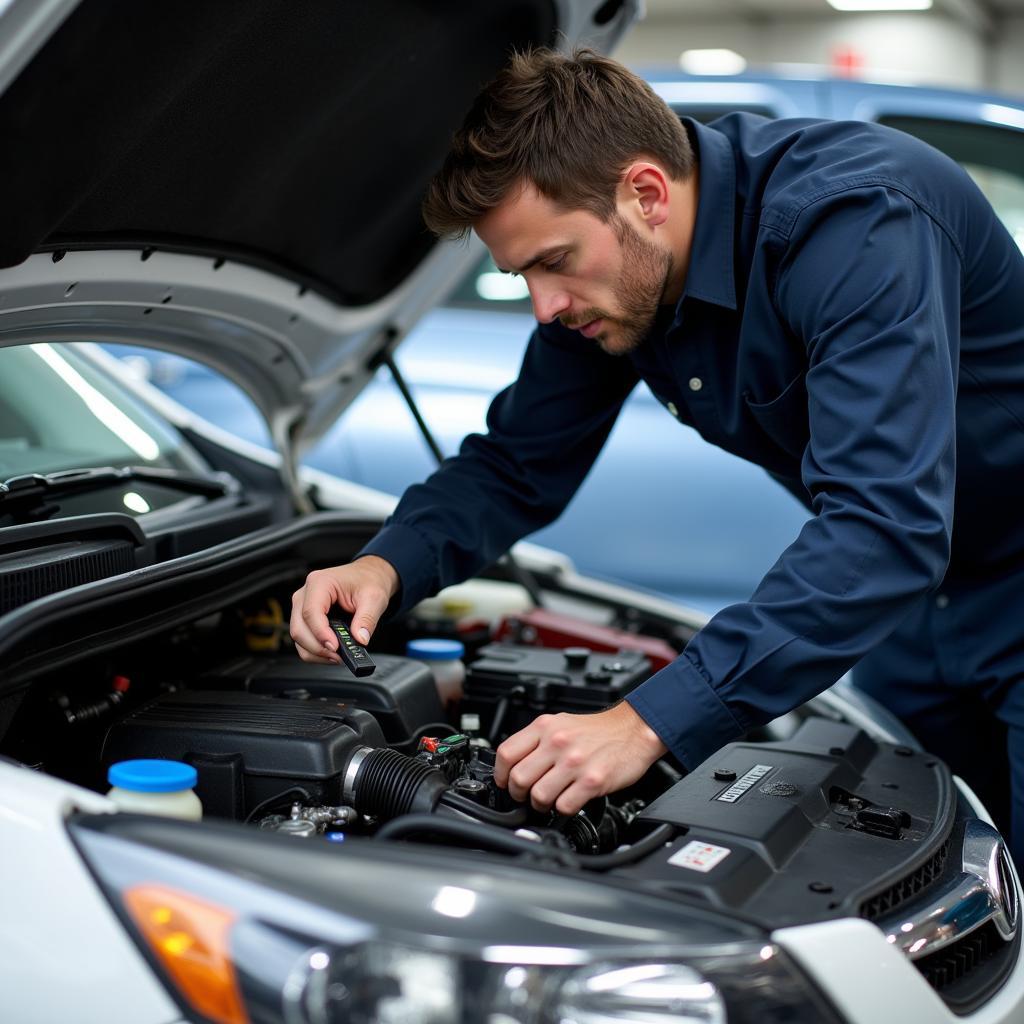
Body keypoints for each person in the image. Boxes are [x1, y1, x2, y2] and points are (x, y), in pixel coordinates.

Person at [290, 48, 1024, 864]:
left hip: (992, 571)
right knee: (929, 870)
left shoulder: (852, 223)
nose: (545, 305)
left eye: (553, 262)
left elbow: (884, 527)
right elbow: (516, 462)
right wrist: (386, 567)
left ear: (645, 192)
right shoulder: (616, 285)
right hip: (911, 611)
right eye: (520, 274)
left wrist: (645, 723)